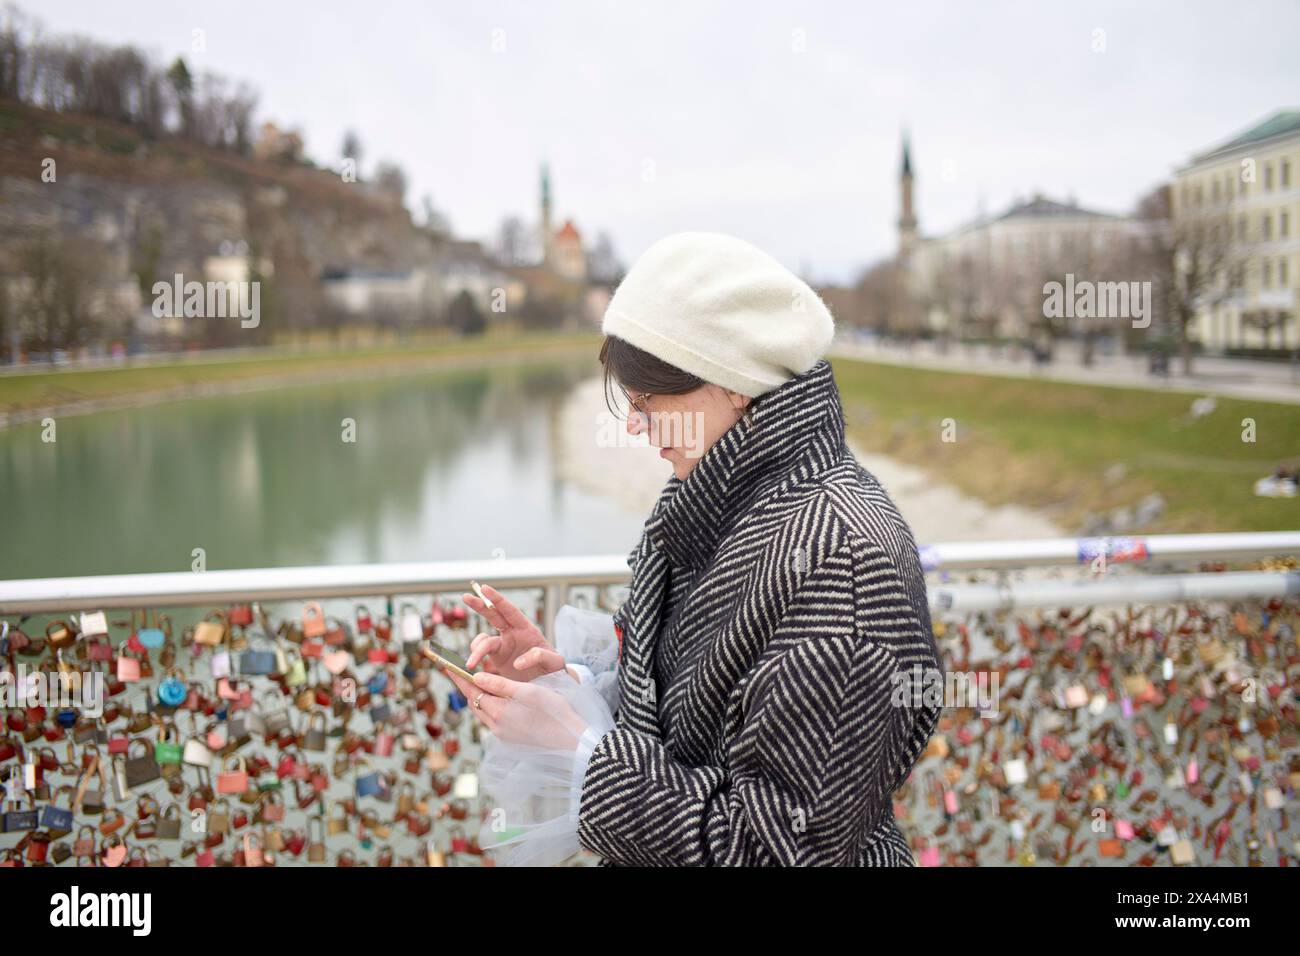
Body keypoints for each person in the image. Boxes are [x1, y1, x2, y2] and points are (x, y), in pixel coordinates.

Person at [449, 231, 943, 866]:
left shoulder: (840, 562)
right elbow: (685, 719)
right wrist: (567, 687)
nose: (634, 423)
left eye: (648, 401)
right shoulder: (714, 501)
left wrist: (586, 756)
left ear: (734, 383)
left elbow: (779, 852)